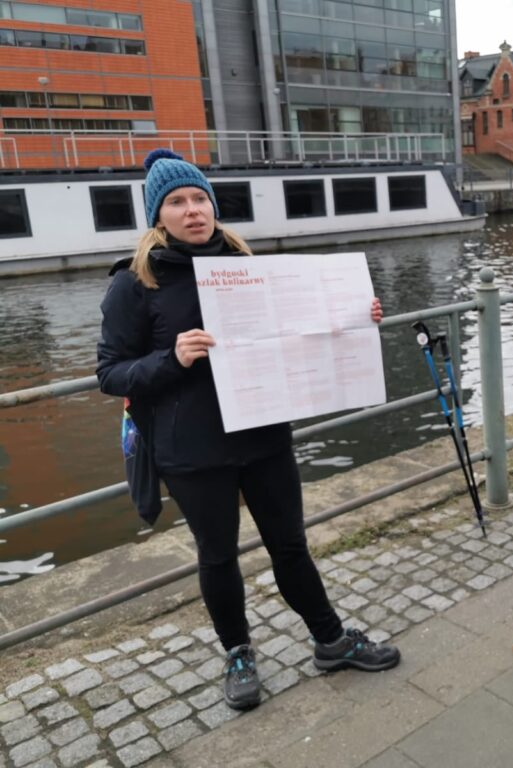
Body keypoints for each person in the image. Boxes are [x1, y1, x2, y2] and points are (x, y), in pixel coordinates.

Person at [97, 149, 400, 711]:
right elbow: (110, 373)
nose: (192, 210)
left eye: (200, 198)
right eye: (177, 202)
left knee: (290, 544)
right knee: (217, 556)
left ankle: (331, 640)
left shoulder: (244, 263)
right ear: (157, 214)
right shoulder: (134, 283)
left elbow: (296, 331)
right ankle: (237, 653)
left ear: (213, 205)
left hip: (262, 432)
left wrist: (355, 316)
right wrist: (172, 358)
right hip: (192, 447)